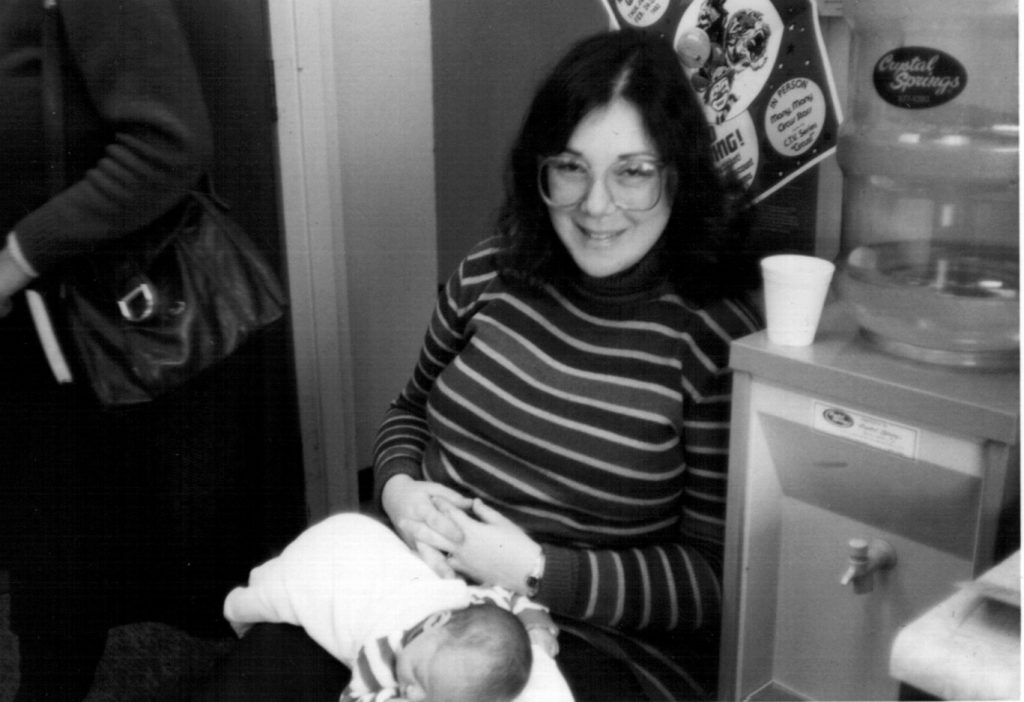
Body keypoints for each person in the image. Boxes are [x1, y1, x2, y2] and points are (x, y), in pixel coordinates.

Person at [191, 27, 761, 702]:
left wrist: (540, 572)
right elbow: (408, 411)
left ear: (678, 175)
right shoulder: (491, 271)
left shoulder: (714, 337)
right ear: (540, 171)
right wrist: (398, 491)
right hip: (411, 589)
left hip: (591, 636)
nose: (597, 204)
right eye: (571, 168)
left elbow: (716, 579)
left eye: (633, 172)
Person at [0, 1, 283, 698]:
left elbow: (168, 146)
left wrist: (14, 256)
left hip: (101, 330)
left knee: (75, 567)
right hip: (29, 332)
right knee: (49, 562)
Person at [222, 512, 554, 702]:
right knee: (278, 595)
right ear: (435, 621)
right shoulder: (382, 653)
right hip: (336, 566)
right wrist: (534, 620)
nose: (413, 692)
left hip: (355, 537)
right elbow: (356, 697)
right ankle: (237, 607)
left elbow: (506, 601)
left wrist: (533, 624)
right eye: (420, 678)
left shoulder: (470, 612)